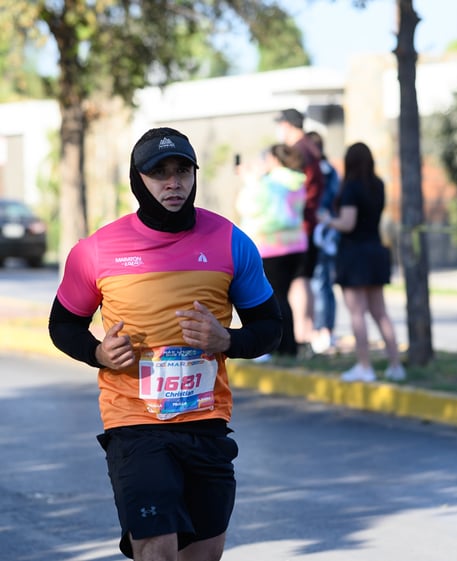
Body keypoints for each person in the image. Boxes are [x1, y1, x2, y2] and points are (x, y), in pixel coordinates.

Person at [47, 127, 282, 560]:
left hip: (206, 420)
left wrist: (226, 339)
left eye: (181, 171)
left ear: (195, 175)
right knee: (156, 548)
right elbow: (63, 325)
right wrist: (97, 352)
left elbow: (270, 326)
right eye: (159, 173)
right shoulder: (97, 251)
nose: (172, 182)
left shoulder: (231, 242)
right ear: (139, 179)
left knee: (204, 554)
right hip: (134, 423)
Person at [321, 142, 405, 382]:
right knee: (380, 312)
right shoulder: (378, 185)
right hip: (376, 250)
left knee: (357, 313)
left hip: (354, 254)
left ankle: (364, 366)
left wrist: (327, 220)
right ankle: (395, 365)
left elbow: (348, 223)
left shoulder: (351, 188)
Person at [237, 143, 308, 358]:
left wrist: (250, 182)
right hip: (296, 245)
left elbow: (247, 206)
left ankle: (283, 347)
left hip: (272, 245)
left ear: (275, 160)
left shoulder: (269, 183)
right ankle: (290, 345)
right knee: (285, 297)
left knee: (276, 299)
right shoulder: (298, 181)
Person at [275, 108, 325, 353]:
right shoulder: (311, 147)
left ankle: (302, 336)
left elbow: (298, 189)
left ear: (289, 125)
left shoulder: (301, 150)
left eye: (281, 125)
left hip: (300, 226)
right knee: (303, 281)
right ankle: (306, 335)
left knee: (299, 282)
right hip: (308, 223)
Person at [306, 130, 341, 355]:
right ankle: (322, 330)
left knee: (321, 283)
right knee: (321, 283)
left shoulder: (324, 171)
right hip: (322, 232)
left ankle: (322, 331)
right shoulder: (327, 170)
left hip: (324, 233)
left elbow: (329, 202)